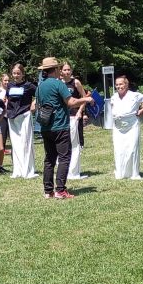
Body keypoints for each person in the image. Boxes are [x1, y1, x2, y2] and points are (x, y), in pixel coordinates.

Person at [35, 56, 93, 199]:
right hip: (60, 125)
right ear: (55, 69)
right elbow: (71, 102)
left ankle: (48, 191)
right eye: (59, 68)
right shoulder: (58, 84)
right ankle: (60, 190)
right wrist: (86, 99)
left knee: (49, 159)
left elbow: (37, 105)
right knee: (64, 157)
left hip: (45, 127)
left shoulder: (40, 86)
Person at [109, 75, 143, 180]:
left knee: (132, 149)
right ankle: (121, 173)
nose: (119, 86)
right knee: (119, 149)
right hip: (118, 127)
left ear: (126, 85)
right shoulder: (114, 97)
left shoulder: (135, 95)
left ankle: (134, 173)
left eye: (121, 84)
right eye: (117, 84)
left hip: (132, 125)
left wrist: (142, 110)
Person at [4, 63, 38, 179]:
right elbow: (8, 99)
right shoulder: (9, 85)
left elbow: (40, 94)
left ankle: (28, 170)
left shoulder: (28, 85)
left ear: (23, 74)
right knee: (15, 144)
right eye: (14, 73)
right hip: (12, 117)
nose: (16, 75)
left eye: (18, 73)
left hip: (24, 116)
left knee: (26, 143)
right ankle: (17, 170)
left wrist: (34, 103)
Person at [62, 63, 89, 180]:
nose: (67, 72)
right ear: (61, 71)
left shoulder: (76, 82)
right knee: (64, 144)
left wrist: (80, 111)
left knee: (75, 143)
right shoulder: (59, 83)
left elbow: (84, 98)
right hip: (63, 117)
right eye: (64, 70)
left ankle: (74, 172)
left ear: (71, 70)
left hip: (74, 116)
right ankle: (64, 170)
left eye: (68, 69)